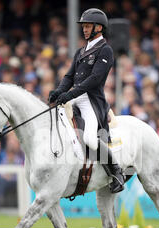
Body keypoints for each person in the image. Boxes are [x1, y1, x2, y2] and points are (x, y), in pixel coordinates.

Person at [48, 8, 124, 193]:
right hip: (75, 96)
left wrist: (70, 95)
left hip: (91, 99)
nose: (84, 29)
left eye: (88, 26)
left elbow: (94, 80)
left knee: (90, 138)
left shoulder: (105, 50)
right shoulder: (81, 51)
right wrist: (58, 92)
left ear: (99, 28)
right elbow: (69, 76)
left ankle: (117, 172)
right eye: (84, 26)